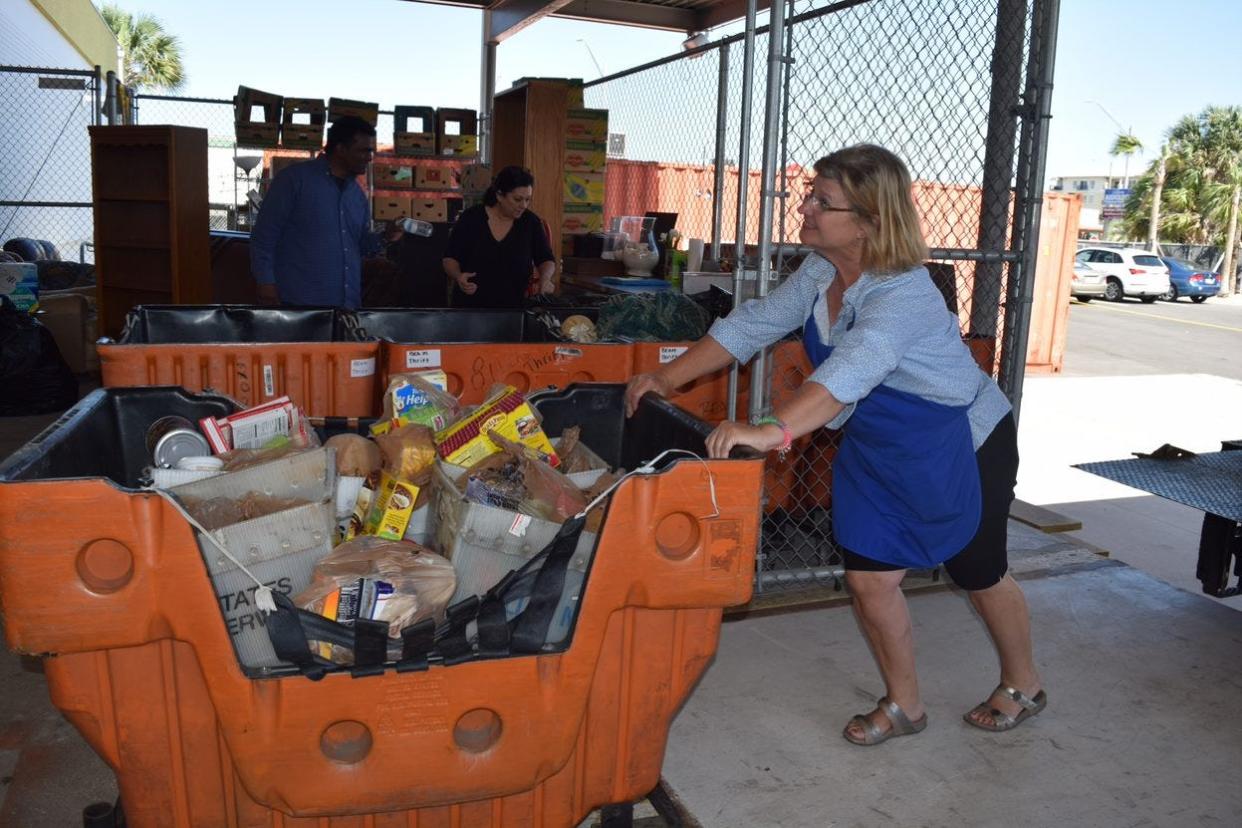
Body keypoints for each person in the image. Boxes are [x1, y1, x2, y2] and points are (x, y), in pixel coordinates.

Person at [625, 144, 1045, 746]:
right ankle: (904, 705)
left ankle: (1024, 682)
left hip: (960, 440)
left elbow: (851, 369)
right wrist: (667, 377)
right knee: (870, 579)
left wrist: (773, 429)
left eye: (823, 201)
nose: (806, 207)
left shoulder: (905, 295)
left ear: (870, 220)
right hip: (879, 443)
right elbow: (754, 324)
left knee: (979, 569)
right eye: (809, 195)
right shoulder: (823, 272)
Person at [250, 116, 403, 308]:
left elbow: (359, 245)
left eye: (371, 151)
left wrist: (386, 236)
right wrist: (265, 282)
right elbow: (264, 236)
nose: (370, 157)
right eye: (364, 151)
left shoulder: (356, 194)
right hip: (297, 304)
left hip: (345, 307)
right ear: (340, 149)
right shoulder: (294, 180)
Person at [442, 166, 555, 307]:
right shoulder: (471, 218)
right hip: (470, 308)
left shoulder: (530, 222)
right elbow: (450, 258)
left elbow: (546, 258)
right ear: (499, 195)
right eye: (518, 199)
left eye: (528, 200)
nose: (524, 205)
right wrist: (458, 276)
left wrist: (545, 278)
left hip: (513, 309)